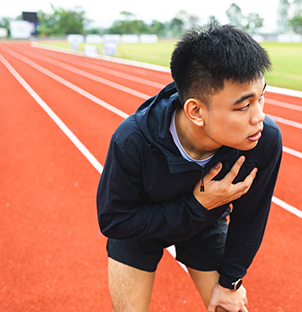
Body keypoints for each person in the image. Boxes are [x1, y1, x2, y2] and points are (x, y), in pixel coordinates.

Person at [97, 24, 282, 312]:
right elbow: (115, 221)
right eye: (243, 106)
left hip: (204, 225)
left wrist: (231, 283)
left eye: (261, 98)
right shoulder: (132, 140)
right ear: (196, 111)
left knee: (229, 308)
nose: (259, 116)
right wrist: (197, 204)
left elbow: (251, 217)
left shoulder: (263, 139)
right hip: (139, 230)